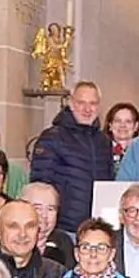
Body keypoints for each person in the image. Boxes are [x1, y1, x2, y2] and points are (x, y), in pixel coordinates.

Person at [29, 81, 115, 227]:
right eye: (81, 102)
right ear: (71, 103)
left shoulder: (104, 141)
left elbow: (109, 181)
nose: (87, 109)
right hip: (64, 226)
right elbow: (41, 184)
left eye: (93, 103)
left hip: (95, 225)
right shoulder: (52, 137)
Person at [19, 182, 75, 267]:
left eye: (50, 209)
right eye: (37, 208)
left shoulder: (63, 243)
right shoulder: (10, 241)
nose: (44, 215)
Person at [105, 103, 139, 172]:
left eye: (128, 121)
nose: (122, 125)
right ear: (110, 125)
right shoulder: (100, 151)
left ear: (136, 126)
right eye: (118, 121)